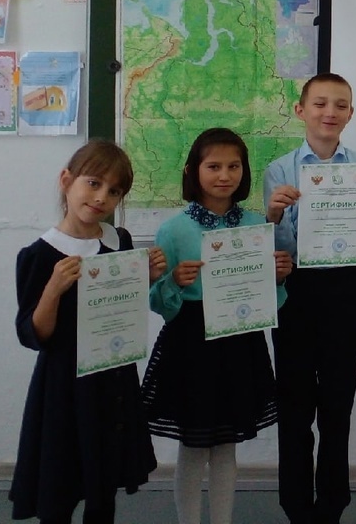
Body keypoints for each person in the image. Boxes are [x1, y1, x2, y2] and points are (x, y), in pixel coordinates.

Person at [139, 128, 292, 524]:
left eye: (233, 166)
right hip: (191, 345)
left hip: (239, 344)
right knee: (193, 448)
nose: (224, 175)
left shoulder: (257, 225)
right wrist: (175, 282)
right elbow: (158, 303)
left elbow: (269, 299)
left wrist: (276, 277)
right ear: (193, 171)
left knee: (226, 447)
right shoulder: (173, 230)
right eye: (213, 166)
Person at [10, 140, 166, 524]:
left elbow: (122, 308)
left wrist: (146, 278)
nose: (101, 198)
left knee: (103, 487)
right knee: (59, 489)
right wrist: (53, 289)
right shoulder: (39, 254)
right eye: (93, 183)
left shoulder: (119, 241)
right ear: (67, 180)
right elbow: (33, 335)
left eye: (114, 191)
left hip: (112, 381)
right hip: (64, 387)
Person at [264, 72, 356, 524]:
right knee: (294, 405)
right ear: (301, 110)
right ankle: (296, 506)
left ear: (351, 114)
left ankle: (332, 506)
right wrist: (273, 215)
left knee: (338, 405)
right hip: (295, 292)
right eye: (320, 103)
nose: (329, 112)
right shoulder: (279, 170)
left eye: (340, 105)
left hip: (344, 290)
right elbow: (279, 249)